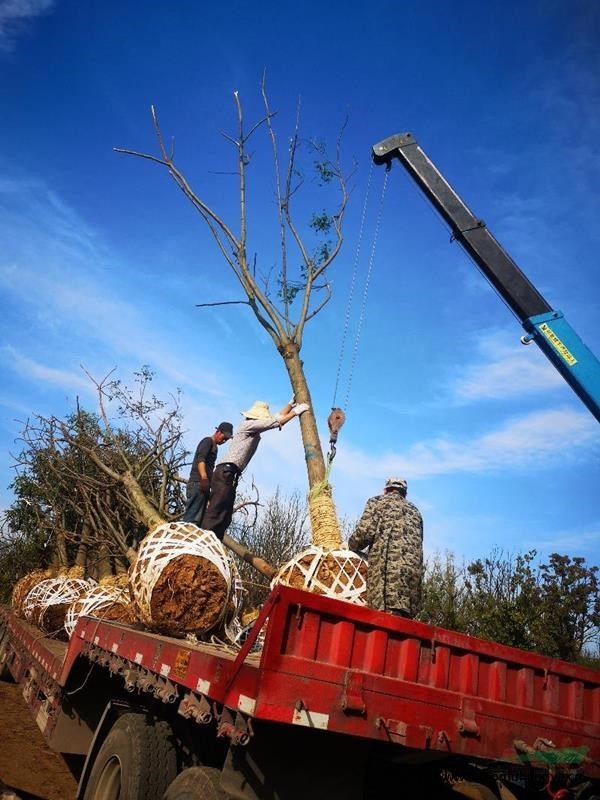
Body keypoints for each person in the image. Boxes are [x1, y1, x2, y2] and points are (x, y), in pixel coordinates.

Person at [202, 399, 309, 539]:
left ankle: (214, 540)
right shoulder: (247, 425)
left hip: (231, 474)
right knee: (217, 507)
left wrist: (290, 406)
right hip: (225, 472)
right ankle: (204, 538)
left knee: (225, 514)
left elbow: (274, 418)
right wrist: (295, 412)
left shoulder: (253, 428)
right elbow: (275, 422)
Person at [348, 477, 423, 618]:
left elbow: (363, 534)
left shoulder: (377, 502)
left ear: (385, 491)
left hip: (386, 587)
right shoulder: (416, 512)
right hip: (410, 592)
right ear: (405, 494)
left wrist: (349, 546)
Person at [182, 422, 234, 526]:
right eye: (224, 437)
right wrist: (204, 478)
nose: (224, 440)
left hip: (203, 486)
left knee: (198, 521)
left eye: (227, 440)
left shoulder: (215, 446)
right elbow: (201, 460)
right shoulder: (207, 441)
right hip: (198, 483)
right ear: (218, 432)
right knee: (192, 520)